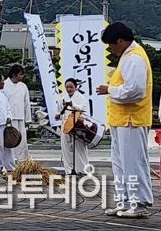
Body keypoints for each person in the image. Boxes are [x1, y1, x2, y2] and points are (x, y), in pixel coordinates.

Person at [97, 22, 153, 218]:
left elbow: (135, 91)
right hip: (121, 120)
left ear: (120, 40)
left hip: (132, 120)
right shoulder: (127, 56)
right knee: (120, 164)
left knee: (133, 163)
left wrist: (110, 90)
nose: (111, 49)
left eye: (111, 45)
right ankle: (125, 200)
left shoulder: (135, 58)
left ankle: (139, 203)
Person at [56, 78, 89, 175]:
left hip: (78, 125)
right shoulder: (62, 98)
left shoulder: (81, 98)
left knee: (79, 148)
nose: (69, 89)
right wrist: (58, 115)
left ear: (75, 87)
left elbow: (83, 109)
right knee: (66, 148)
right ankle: (69, 170)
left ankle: (82, 170)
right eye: (67, 87)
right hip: (66, 125)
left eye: (71, 87)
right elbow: (59, 112)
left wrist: (72, 105)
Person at [1, 64, 31, 162]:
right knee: (10, 141)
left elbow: (26, 103)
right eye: (20, 74)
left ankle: (22, 161)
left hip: (21, 118)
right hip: (9, 119)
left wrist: (28, 119)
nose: (22, 76)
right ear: (14, 74)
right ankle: (9, 162)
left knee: (22, 141)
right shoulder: (4, 85)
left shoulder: (23, 86)